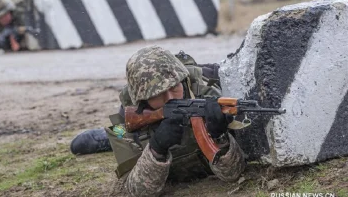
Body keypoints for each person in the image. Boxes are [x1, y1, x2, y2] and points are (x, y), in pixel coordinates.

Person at [104, 46, 246, 196]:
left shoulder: (206, 92)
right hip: (139, 132)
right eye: (158, 94)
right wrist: (156, 149)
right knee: (85, 143)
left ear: (183, 81)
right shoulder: (123, 122)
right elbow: (133, 191)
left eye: (174, 87)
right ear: (143, 99)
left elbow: (233, 174)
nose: (170, 98)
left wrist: (219, 136)